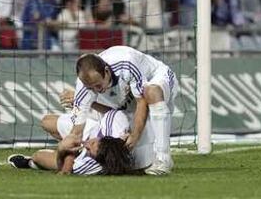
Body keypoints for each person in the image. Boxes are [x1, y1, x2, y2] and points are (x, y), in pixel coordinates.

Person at [58, 45, 178, 175]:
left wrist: (135, 136)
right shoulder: (83, 88)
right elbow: (76, 134)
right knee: (138, 164)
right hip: (127, 104)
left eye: (98, 85)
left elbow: (141, 102)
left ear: (107, 71)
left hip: (156, 81)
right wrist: (65, 160)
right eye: (91, 88)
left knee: (150, 91)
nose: (96, 90)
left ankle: (163, 159)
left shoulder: (126, 63)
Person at [8, 109, 154, 175]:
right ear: (106, 138)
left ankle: (29, 164)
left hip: (78, 155)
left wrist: (62, 150)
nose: (87, 145)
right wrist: (88, 105)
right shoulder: (115, 123)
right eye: (93, 143)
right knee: (46, 122)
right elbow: (112, 111)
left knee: (37, 158)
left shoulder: (88, 166)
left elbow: (60, 168)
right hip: (92, 128)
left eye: (90, 150)